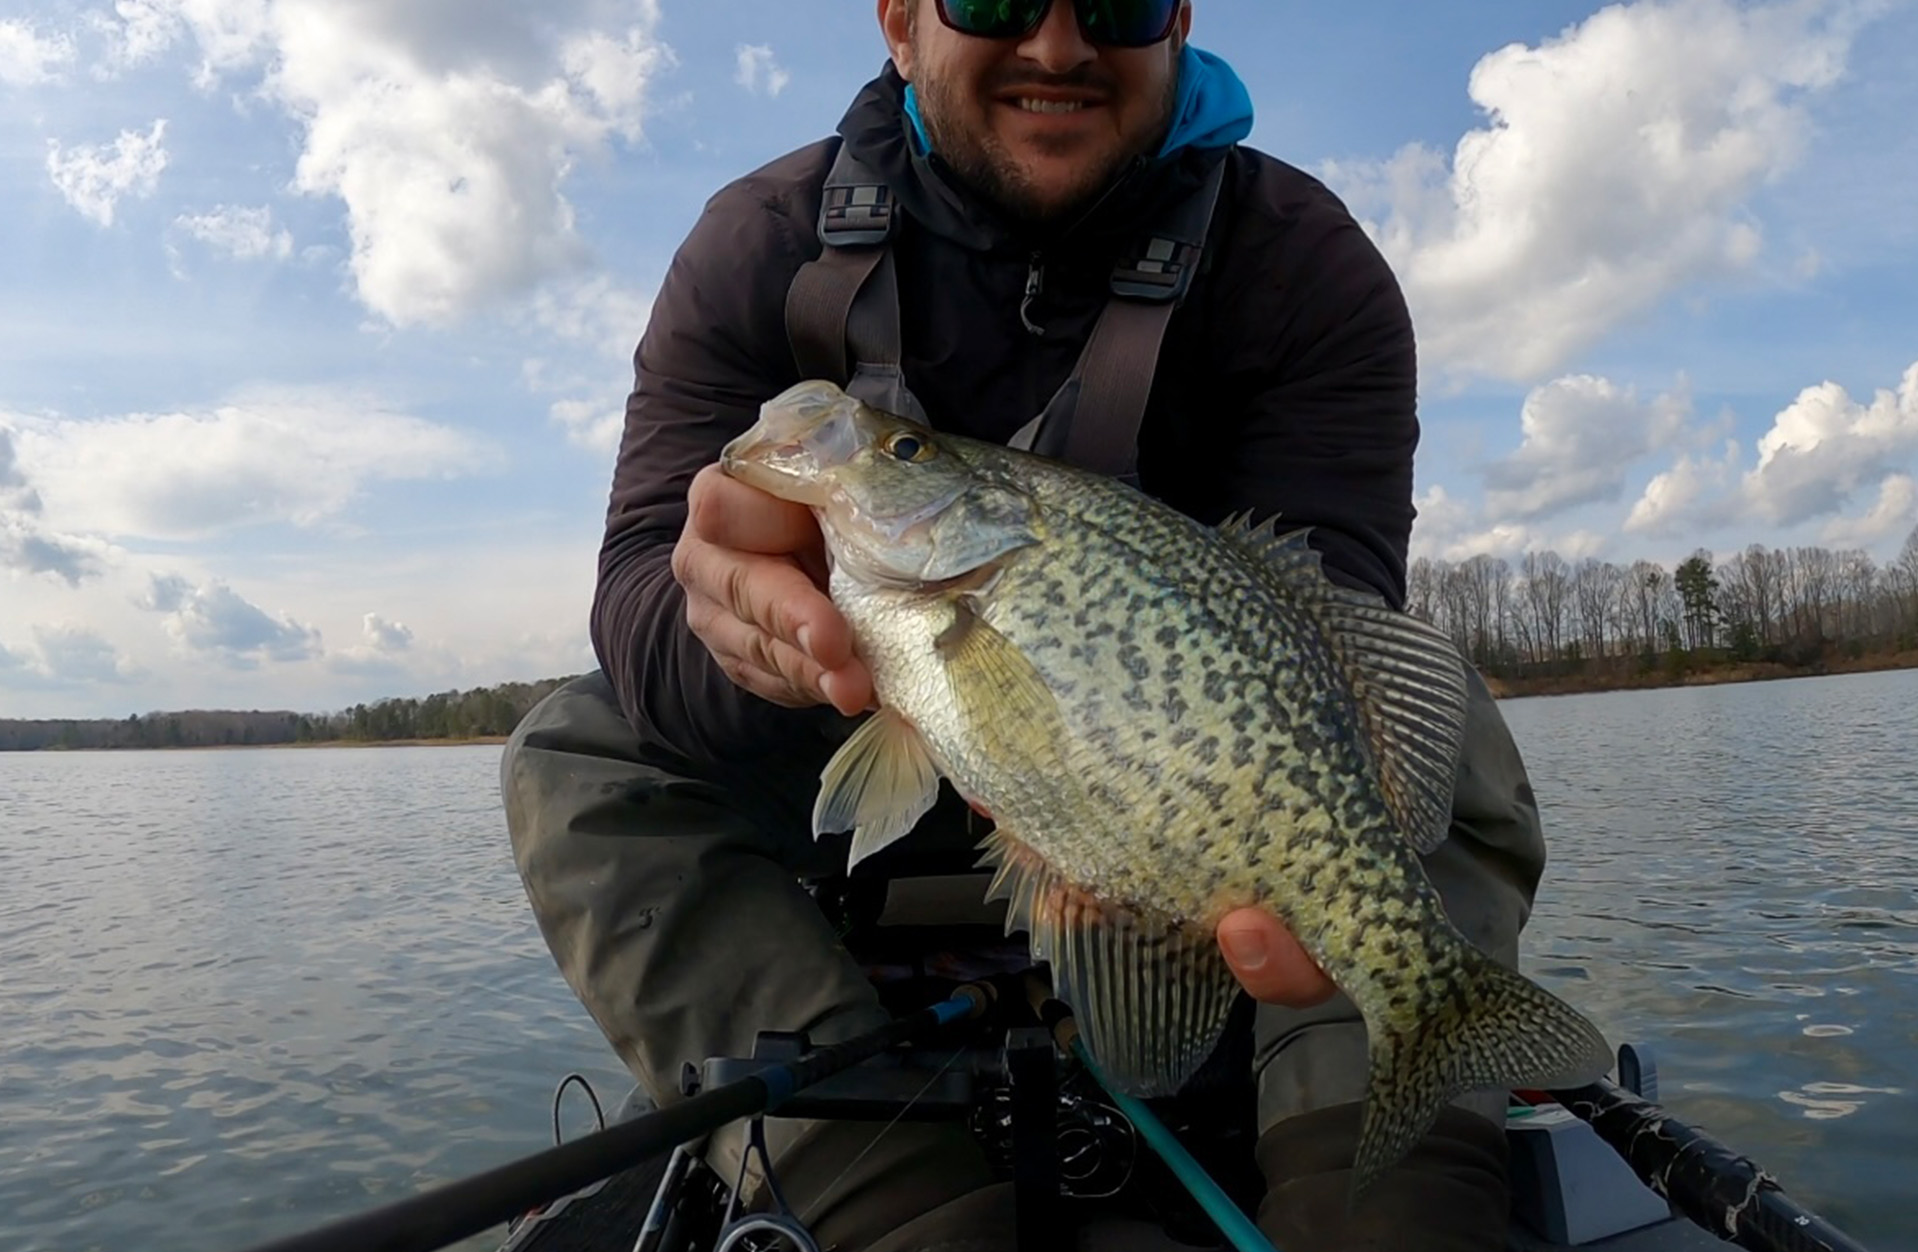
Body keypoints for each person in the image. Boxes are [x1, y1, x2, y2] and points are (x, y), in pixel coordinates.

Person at [501, 2, 1555, 1248]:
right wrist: (740, 641)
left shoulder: (1301, 261)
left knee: (1445, 727)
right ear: (899, 23)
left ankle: (1385, 1177)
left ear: (1177, 20)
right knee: (575, 752)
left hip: (1158, 807)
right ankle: (896, 1210)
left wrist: (1121, 816)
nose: (1057, 48)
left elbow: (1330, 618)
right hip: (846, 747)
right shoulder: (756, 243)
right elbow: (637, 587)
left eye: (1117, 1)